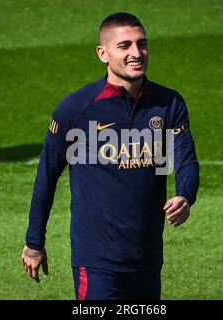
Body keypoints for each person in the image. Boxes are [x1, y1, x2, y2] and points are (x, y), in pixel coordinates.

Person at [21, 12, 200, 300]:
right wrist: (34, 243)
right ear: (102, 54)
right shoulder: (77, 110)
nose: (136, 53)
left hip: (148, 257)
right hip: (96, 261)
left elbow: (186, 159)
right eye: (124, 46)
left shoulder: (169, 103)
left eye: (142, 44)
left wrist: (186, 195)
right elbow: (47, 176)